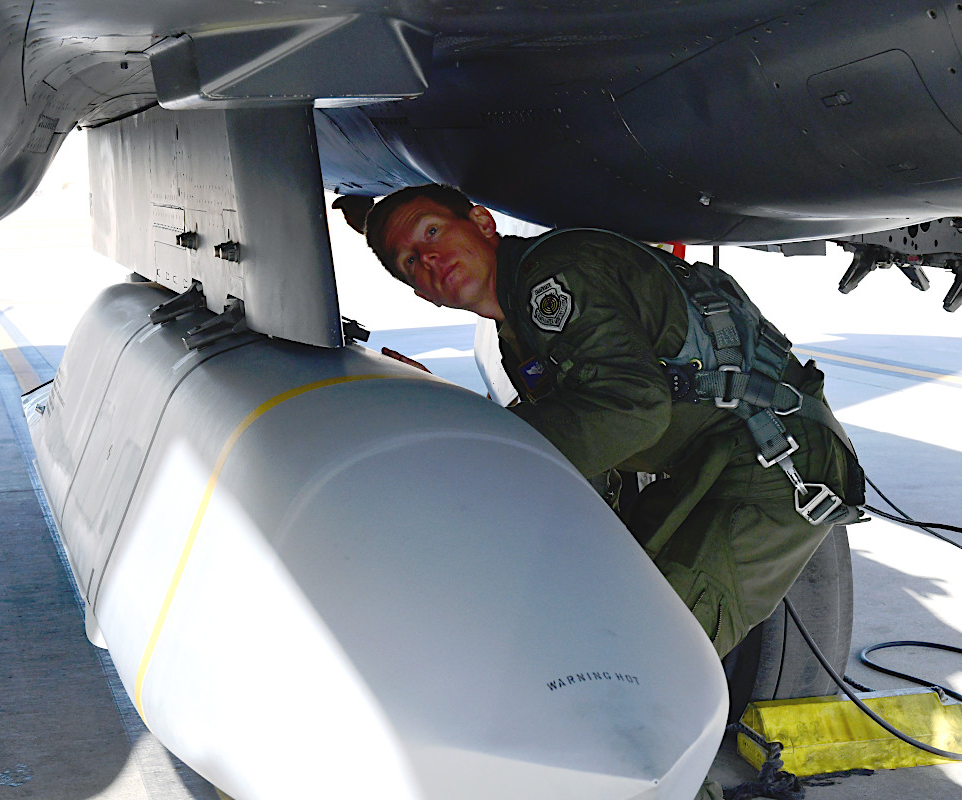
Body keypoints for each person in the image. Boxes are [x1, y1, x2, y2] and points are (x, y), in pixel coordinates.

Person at [361, 185, 864, 795]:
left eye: (432, 233)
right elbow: (583, 433)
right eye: (410, 261)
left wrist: (477, 437)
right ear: (419, 292)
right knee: (601, 625)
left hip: (772, 464)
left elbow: (630, 410)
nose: (430, 260)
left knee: (642, 674)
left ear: (482, 222)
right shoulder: (519, 320)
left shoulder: (553, 279)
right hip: (717, 462)